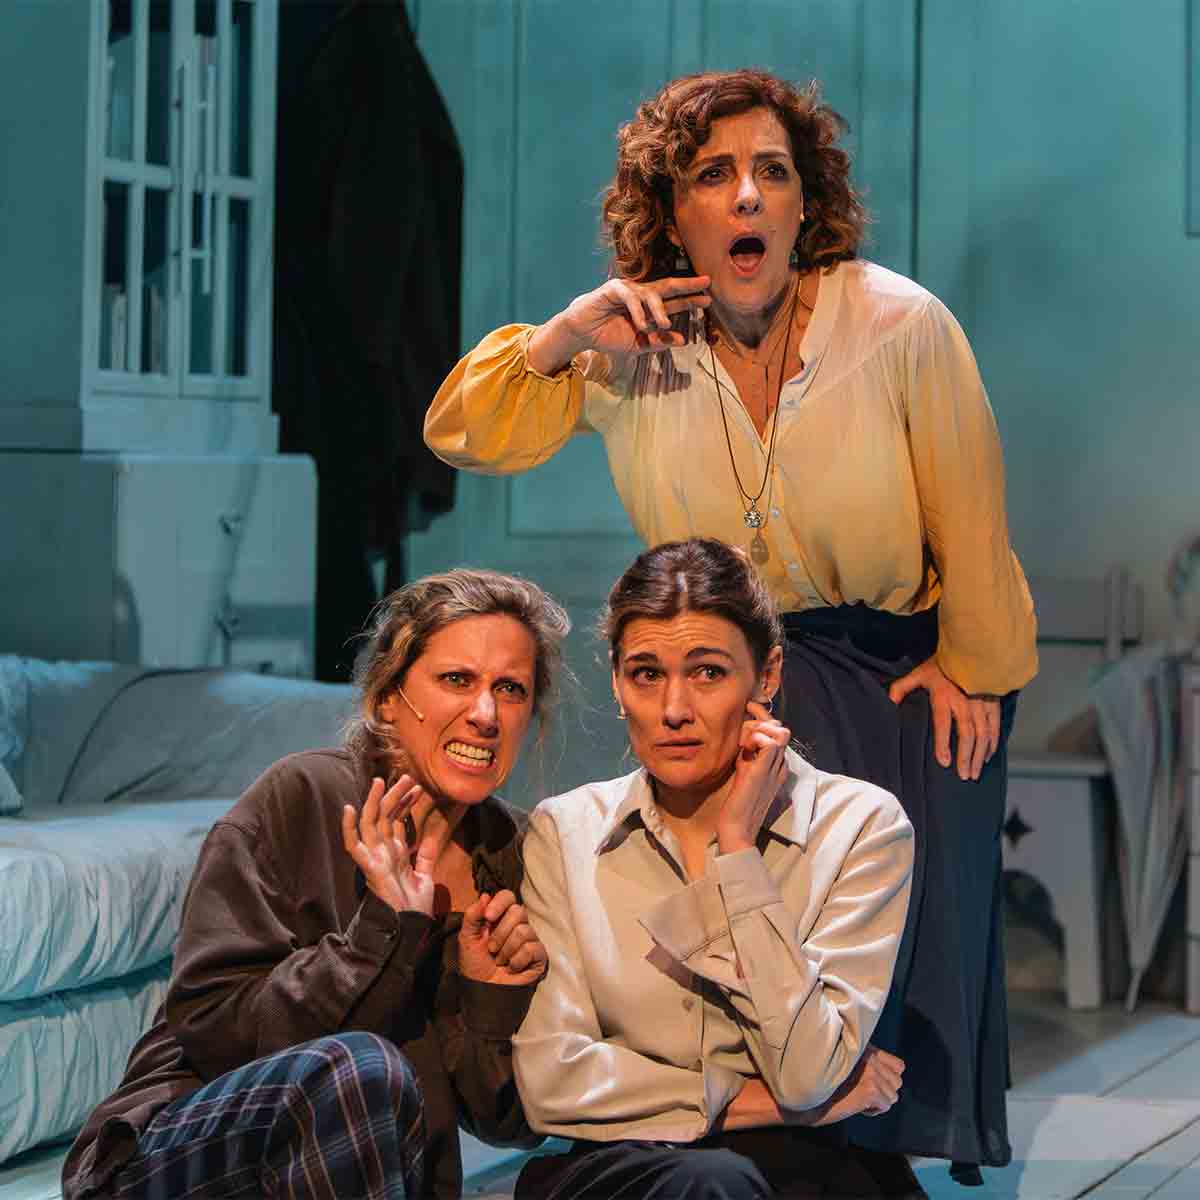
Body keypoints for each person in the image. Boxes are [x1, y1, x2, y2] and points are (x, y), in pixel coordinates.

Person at [425, 68, 1037, 1180]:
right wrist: (565, 332)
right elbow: (461, 433)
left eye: (773, 173)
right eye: (713, 175)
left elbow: (974, 509)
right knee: (751, 907)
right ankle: (766, 1135)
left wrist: (976, 667)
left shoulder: (899, 323)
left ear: (807, 205)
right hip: (734, 673)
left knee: (895, 942)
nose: (747, 195)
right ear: (674, 214)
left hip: (902, 666)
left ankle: (861, 1163)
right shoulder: (629, 346)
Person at [61, 569, 571, 1200]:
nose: (485, 714)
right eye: (456, 680)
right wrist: (383, 930)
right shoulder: (301, 797)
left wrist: (490, 998)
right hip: (185, 1152)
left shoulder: (515, 854)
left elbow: (505, 1121)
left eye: (511, 689)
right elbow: (211, 1027)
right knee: (363, 1069)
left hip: (367, 1176)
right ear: (388, 696)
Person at [512, 538, 916, 1199]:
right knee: (710, 1183)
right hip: (623, 1170)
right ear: (617, 683)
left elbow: (807, 1072)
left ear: (768, 675)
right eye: (646, 674)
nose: (674, 709)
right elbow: (552, 1084)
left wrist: (738, 853)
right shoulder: (565, 833)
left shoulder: (861, 827)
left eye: (707, 673)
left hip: (802, 1173)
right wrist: (767, 1104)